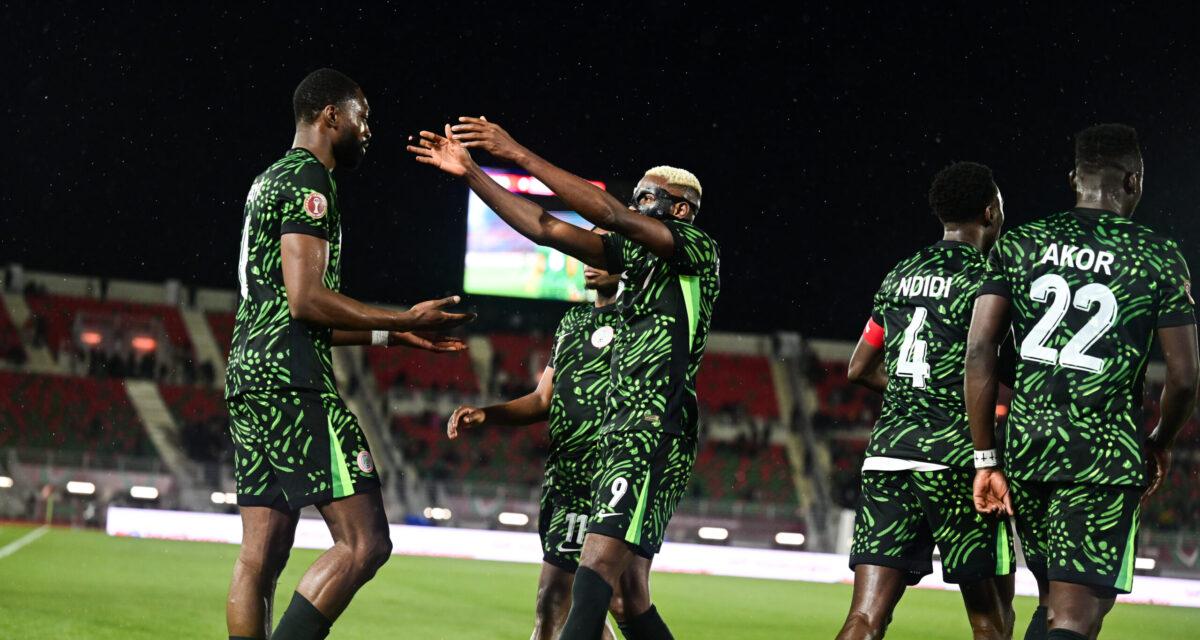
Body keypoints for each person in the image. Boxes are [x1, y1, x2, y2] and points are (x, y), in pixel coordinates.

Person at [409, 119, 720, 640]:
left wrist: (518, 153)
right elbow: (545, 227)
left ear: (681, 211)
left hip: (654, 429)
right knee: (627, 596)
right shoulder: (633, 265)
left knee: (594, 570)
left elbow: (609, 214)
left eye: (648, 199)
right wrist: (474, 173)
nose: (636, 206)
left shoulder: (697, 251)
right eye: (637, 198)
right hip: (620, 430)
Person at [224, 68, 474, 640]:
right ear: (330, 115)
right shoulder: (309, 180)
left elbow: (289, 311)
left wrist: (390, 336)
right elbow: (307, 301)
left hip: (250, 373)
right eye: (362, 117)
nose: (368, 130)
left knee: (260, 556)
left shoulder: (268, 179)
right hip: (292, 380)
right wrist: (404, 317)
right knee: (365, 542)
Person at [966, 124, 1198, 640]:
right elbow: (1184, 377)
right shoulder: (1156, 256)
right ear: (1133, 182)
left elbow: (980, 350)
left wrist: (986, 457)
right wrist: (1160, 442)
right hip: (1101, 454)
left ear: (1074, 178)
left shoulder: (1019, 243)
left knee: (1052, 603)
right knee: (1076, 618)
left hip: (1028, 449)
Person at [837, 162, 1015, 640]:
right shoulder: (990, 276)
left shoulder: (901, 273)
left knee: (864, 617)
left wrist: (914, 391)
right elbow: (1007, 367)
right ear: (990, 211)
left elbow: (859, 367)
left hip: (888, 456)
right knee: (992, 620)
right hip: (959, 460)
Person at [447, 230, 629, 639]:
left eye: (601, 251)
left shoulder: (641, 324)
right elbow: (542, 398)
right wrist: (488, 414)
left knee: (558, 600)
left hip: (604, 480)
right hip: (562, 479)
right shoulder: (573, 322)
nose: (589, 259)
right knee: (582, 607)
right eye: (584, 249)